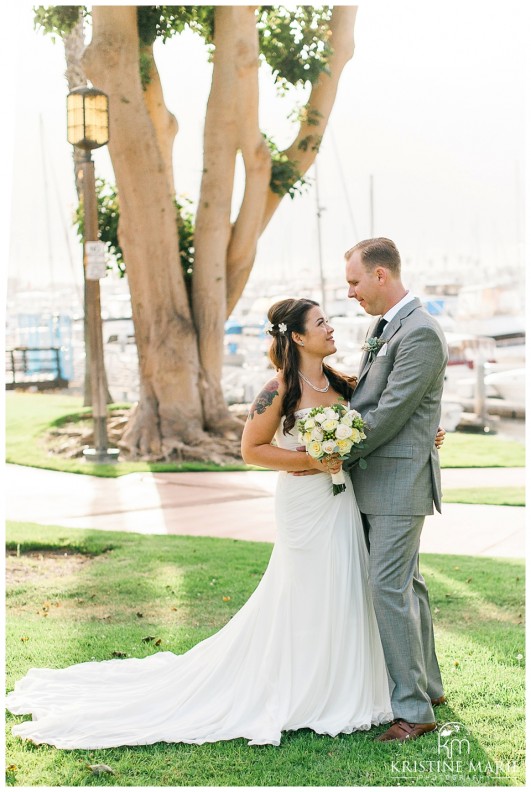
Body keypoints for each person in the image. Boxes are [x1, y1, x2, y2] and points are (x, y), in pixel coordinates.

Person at [6, 297, 396, 749]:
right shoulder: (279, 391)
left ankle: (341, 680)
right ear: (298, 337)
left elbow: (371, 429)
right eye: (322, 323)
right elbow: (251, 450)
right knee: (306, 588)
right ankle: (302, 685)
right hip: (303, 505)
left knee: (343, 584)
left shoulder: (343, 385)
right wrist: (306, 457)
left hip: (340, 501)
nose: (331, 328)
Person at [343, 237, 448, 742]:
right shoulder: (385, 328)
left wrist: (338, 450)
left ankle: (413, 709)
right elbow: (370, 394)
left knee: (388, 587)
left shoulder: (421, 332)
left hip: (399, 482)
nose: (351, 292)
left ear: (381, 275)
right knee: (410, 585)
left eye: (355, 282)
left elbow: (389, 413)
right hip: (381, 480)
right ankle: (429, 685)